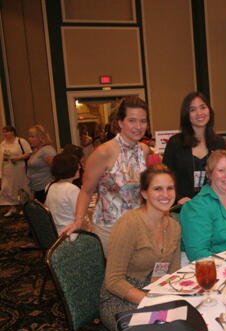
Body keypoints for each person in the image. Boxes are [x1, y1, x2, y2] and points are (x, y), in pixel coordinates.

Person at [61, 96, 150, 254]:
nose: (138, 126)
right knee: (116, 276)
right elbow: (86, 191)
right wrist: (78, 220)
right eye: (132, 120)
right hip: (110, 228)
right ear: (120, 123)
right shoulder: (103, 152)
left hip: (138, 225)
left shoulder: (144, 150)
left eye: (143, 121)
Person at [100, 164, 181, 331]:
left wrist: (168, 298)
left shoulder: (174, 226)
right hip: (121, 299)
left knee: (190, 322)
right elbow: (113, 281)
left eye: (170, 188)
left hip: (155, 294)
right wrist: (150, 301)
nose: (165, 195)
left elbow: (172, 272)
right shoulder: (129, 225)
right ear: (144, 193)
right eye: (158, 189)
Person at [163, 92, 226, 206]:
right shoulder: (175, 143)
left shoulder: (219, 143)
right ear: (186, 115)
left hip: (211, 206)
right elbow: (164, 177)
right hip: (181, 207)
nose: (199, 113)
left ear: (209, 110)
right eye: (193, 110)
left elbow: (223, 177)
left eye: (203, 107)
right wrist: (178, 198)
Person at [0, 125, 31, 216]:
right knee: (7, 188)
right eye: (3, 132)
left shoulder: (20, 141)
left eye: (7, 131)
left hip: (19, 170)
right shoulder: (2, 144)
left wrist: (18, 158)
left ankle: (24, 207)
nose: (5, 134)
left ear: (12, 132)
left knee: (21, 187)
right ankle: (12, 207)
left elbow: (28, 153)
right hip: (7, 170)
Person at [44, 153, 80, 232]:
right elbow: (80, 215)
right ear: (71, 168)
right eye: (77, 165)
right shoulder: (72, 190)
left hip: (53, 231)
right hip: (70, 232)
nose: (79, 167)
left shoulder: (49, 186)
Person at [26, 125, 56, 203]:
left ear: (40, 138)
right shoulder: (37, 150)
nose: (29, 139)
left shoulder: (47, 150)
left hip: (45, 187)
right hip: (37, 188)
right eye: (29, 136)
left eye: (32, 137)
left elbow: (56, 168)